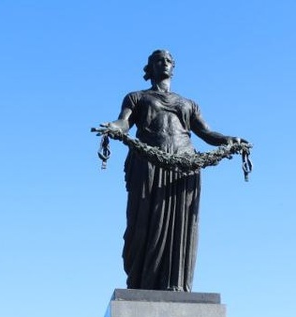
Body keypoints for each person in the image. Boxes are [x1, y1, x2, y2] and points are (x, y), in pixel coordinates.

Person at [99, 50, 246, 292]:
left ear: (173, 67)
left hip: (184, 166)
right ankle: (141, 282)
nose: (164, 63)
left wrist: (230, 140)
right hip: (149, 164)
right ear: (150, 68)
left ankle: (175, 284)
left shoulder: (188, 103)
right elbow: (124, 122)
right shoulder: (136, 97)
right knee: (143, 224)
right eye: (159, 60)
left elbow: (206, 133)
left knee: (182, 225)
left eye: (168, 60)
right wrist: (114, 127)